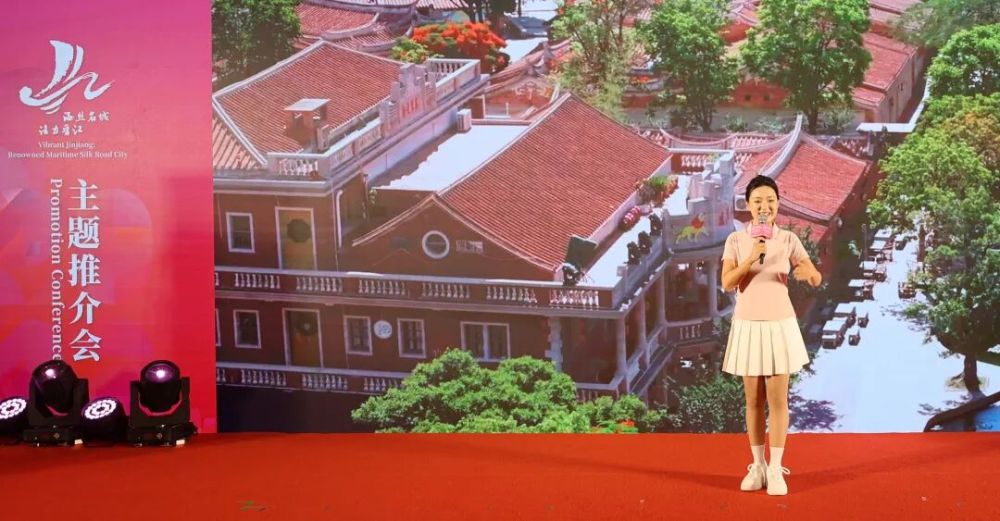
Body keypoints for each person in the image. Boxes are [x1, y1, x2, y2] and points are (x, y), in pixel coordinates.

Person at [719, 175, 822, 496]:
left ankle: (776, 468)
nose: (765, 207)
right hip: (748, 324)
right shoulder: (735, 240)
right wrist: (751, 258)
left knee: (778, 400)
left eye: (771, 201)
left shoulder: (789, 239)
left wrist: (810, 274)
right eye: (758, 201)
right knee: (753, 400)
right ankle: (758, 465)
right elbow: (727, 282)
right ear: (748, 206)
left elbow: (814, 274)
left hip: (779, 322)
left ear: (778, 204)